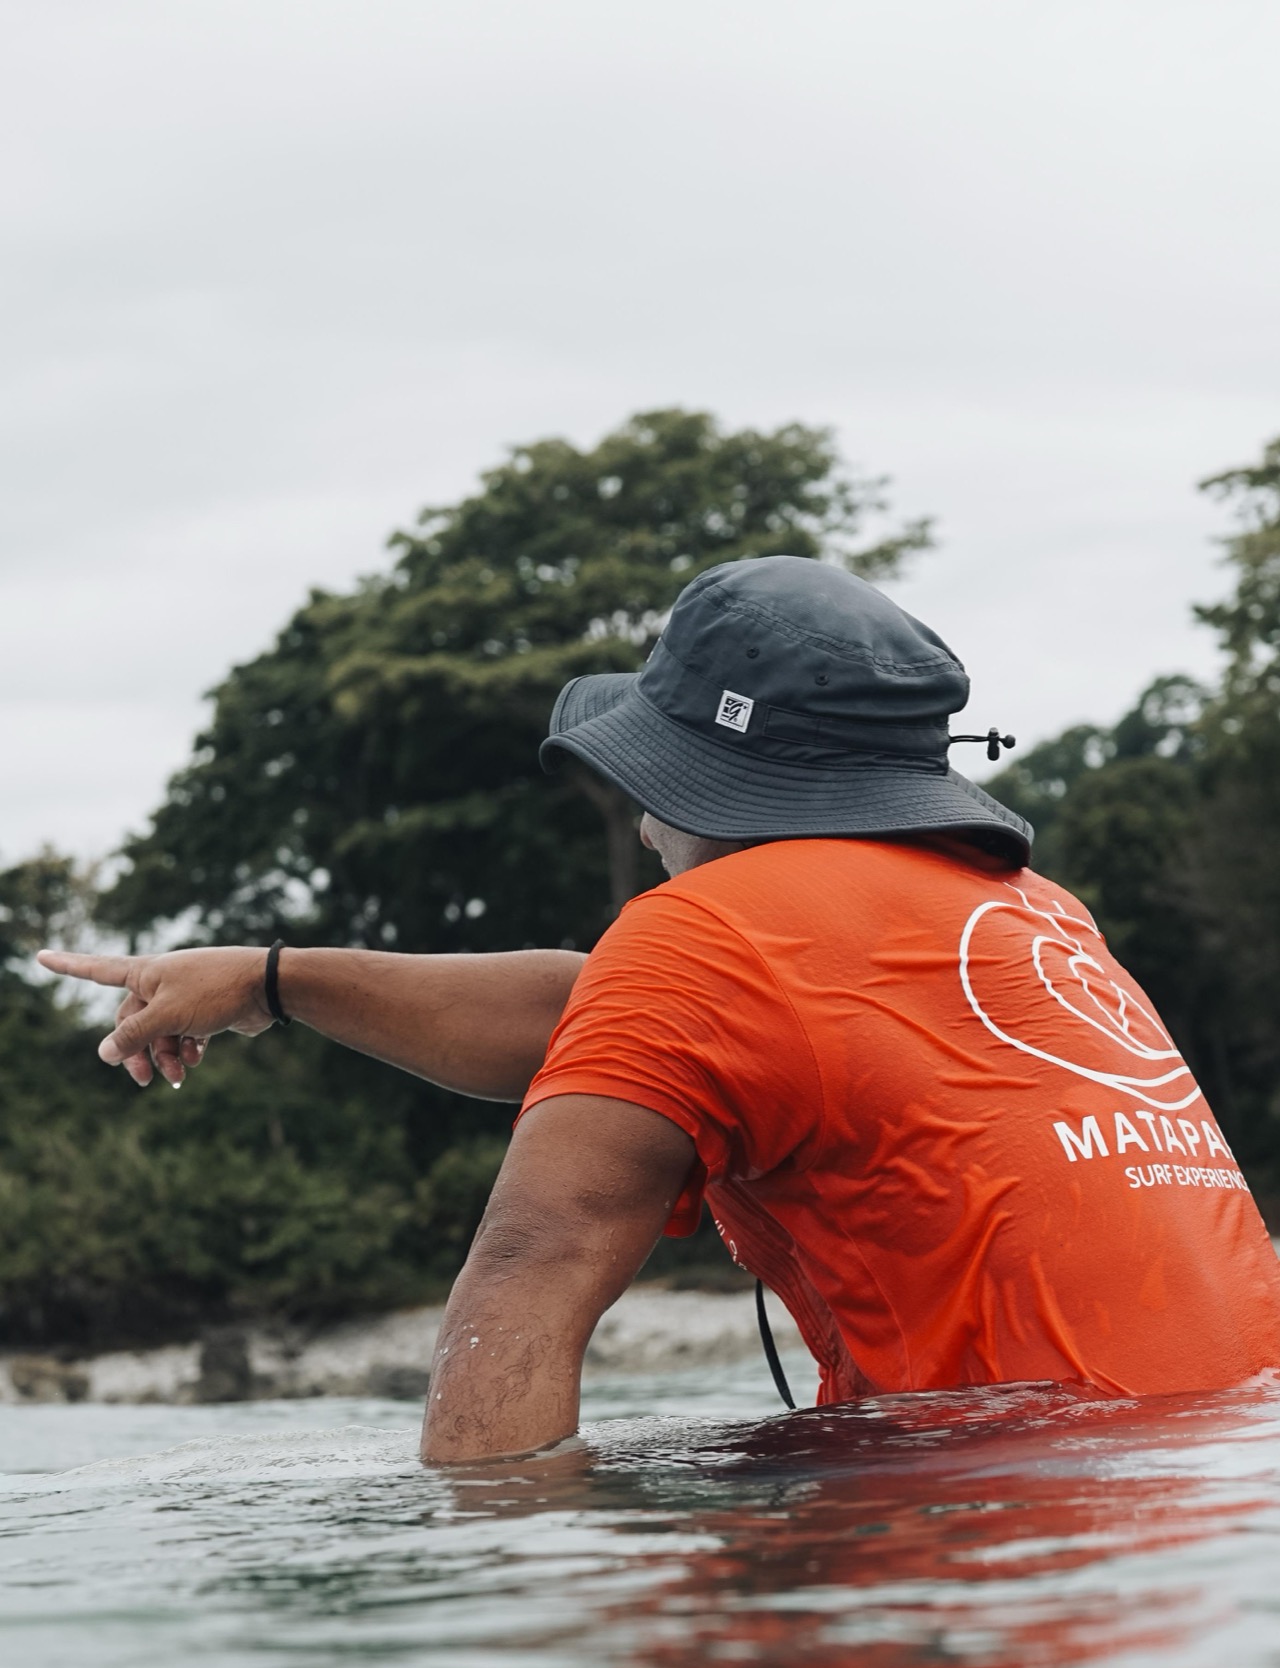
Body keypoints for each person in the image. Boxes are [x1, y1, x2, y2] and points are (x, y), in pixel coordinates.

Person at [39, 558, 1280, 1464]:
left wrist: (497, 1610)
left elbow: (529, 1271)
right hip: (1226, 1497)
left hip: (1012, 1504)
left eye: (654, 776)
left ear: (721, 781)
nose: (640, 813)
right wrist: (274, 976)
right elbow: (611, 1015)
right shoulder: (1025, 915)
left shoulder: (711, 934)